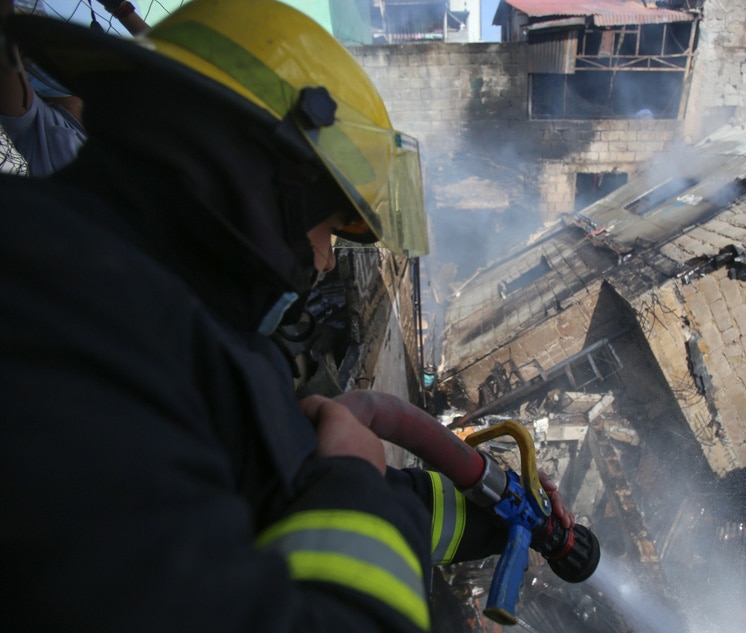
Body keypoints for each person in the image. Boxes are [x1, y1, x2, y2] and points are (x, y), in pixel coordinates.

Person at [0, 1, 576, 631]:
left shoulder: (164, 326)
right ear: (259, 180)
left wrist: (496, 513)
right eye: (329, 229)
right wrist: (355, 485)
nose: (326, 262)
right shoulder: (52, 317)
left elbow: (292, 484)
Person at [0, 0, 148, 176]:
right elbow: (177, 65)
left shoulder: (41, 130)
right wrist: (120, 8)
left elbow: (7, 66)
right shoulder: (131, 122)